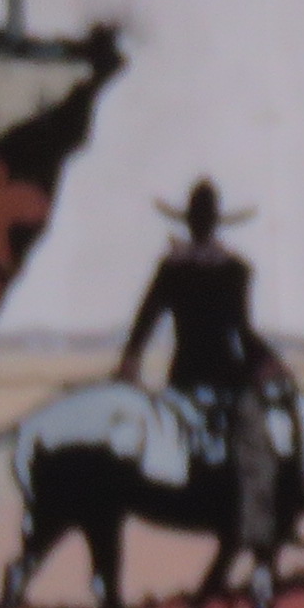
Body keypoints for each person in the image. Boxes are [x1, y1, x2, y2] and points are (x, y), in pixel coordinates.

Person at [118, 182, 278, 563]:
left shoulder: (174, 268)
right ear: (212, 223)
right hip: (225, 378)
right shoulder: (234, 269)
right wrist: (267, 363)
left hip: (185, 377)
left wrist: (130, 362)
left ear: (190, 223)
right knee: (258, 446)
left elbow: (144, 323)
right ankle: (259, 535)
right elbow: (241, 332)